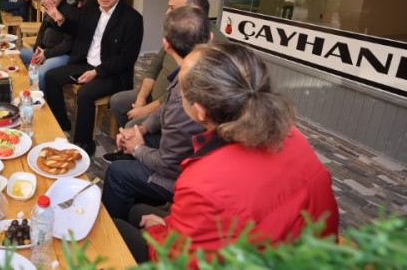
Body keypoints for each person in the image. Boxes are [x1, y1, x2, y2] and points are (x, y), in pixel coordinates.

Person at [114, 43, 339, 263]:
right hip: (302, 253)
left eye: (181, 90)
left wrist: (156, 230)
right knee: (137, 212)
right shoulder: (293, 136)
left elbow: (179, 260)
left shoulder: (201, 180)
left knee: (118, 228)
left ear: (200, 111)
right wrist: (171, 225)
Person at [101, 6, 210, 221]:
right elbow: (165, 108)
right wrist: (141, 128)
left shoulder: (188, 93)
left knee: (117, 173)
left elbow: (168, 165)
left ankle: (118, 235)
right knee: (135, 141)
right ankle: (139, 200)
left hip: (188, 177)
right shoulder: (199, 69)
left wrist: (138, 148)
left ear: (166, 45)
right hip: (191, 157)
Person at [104, 0, 226, 162]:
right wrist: (141, 98)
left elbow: (177, 97)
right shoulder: (178, 31)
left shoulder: (213, 46)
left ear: (195, 12)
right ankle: (128, 148)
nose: (167, 13)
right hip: (159, 98)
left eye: (172, 8)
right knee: (117, 100)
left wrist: (146, 109)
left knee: (133, 125)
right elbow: (154, 67)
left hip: (173, 108)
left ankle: (136, 155)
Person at [44, 0, 144, 156]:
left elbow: (126, 58)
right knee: (51, 76)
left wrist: (97, 72)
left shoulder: (132, 19)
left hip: (112, 72)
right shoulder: (91, 6)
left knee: (85, 94)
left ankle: (84, 144)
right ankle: (61, 124)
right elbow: (77, 29)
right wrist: (60, 20)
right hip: (86, 62)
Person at [19, 0, 78, 91]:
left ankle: (39, 103)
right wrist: (38, 47)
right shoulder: (49, 9)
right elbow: (42, 31)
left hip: (62, 55)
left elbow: (68, 44)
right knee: (16, 55)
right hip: (44, 50)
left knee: (40, 74)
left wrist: (46, 54)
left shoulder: (72, 12)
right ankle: (19, 89)